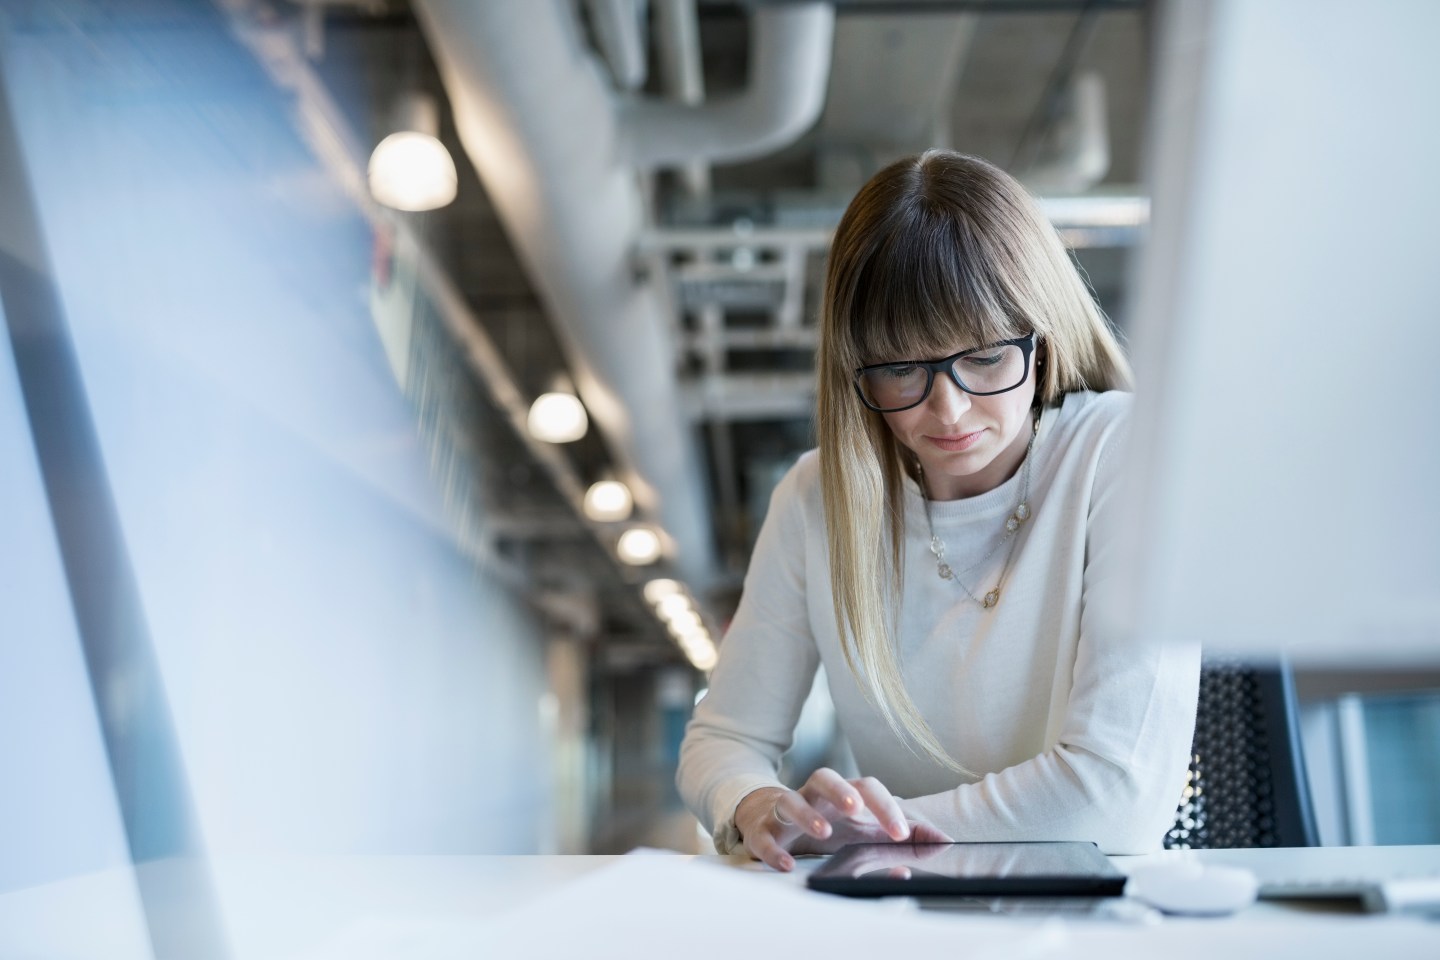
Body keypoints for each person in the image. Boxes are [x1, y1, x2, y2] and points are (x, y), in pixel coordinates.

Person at [677, 151, 1201, 872]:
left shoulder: (1127, 453)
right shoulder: (813, 502)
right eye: (899, 370)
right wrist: (757, 806)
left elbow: (1118, 797)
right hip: (913, 917)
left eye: (985, 358)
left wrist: (865, 830)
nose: (946, 410)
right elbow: (722, 740)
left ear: (1041, 340)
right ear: (855, 371)